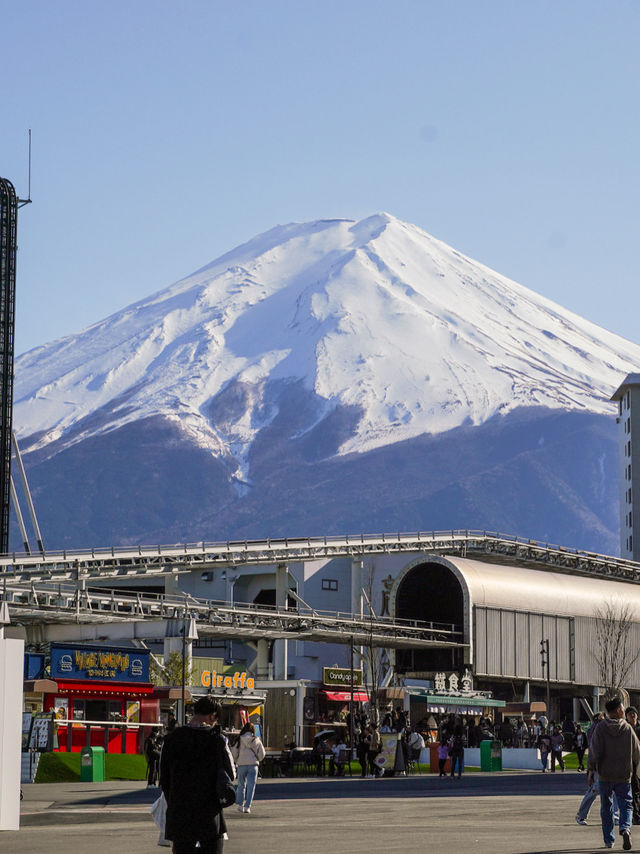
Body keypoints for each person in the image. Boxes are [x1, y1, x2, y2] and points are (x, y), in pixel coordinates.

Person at [160, 696, 235, 854]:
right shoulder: (217, 739)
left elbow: (164, 779)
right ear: (212, 716)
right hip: (209, 813)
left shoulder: (171, 739)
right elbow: (231, 774)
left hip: (180, 813)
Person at [587, 696, 640, 850]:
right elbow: (637, 752)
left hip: (605, 775)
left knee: (606, 807)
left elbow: (594, 751)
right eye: (623, 708)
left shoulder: (601, 728)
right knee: (626, 805)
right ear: (618, 710)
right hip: (623, 775)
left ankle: (609, 840)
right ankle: (625, 828)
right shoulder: (627, 728)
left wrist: (590, 770)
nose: (624, 710)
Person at [233, 721, 265, 814]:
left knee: (241, 785)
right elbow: (262, 753)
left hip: (242, 764)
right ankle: (247, 806)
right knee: (251, 786)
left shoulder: (239, 739)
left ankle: (240, 805)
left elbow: (234, 752)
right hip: (253, 765)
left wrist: (237, 760)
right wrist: (258, 759)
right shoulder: (256, 739)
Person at [626, 707, 640, 825]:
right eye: (630, 714)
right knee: (634, 789)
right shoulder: (625, 729)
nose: (632, 715)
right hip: (630, 764)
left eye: (634, 713)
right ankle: (636, 815)